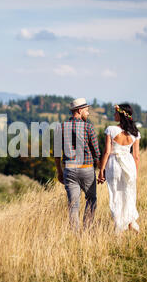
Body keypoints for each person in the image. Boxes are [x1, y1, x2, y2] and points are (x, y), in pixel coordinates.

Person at [55, 98, 101, 231]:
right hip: (86, 169)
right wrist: (101, 171)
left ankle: (75, 235)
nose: (88, 113)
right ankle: (86, 229)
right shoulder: (88, 127)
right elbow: (96, 152)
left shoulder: (61, 127)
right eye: (86, 111)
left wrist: (59, 172)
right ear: (79, 110)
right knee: (91, 200)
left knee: (73, 205)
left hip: (69, 170)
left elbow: (57, 154)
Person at [97, 103, 141, 233]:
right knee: (129, 193)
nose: (114, 115)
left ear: (121, 115)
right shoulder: (135, 133)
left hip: (114, 163)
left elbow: (107, 152)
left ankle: (119, 225)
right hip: (129, 164)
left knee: (115, 194)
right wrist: (135, 174)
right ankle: (130, 221)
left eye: (115, 113)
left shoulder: (111, 129)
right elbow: (136, 156)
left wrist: (101, 170)